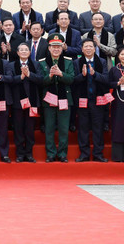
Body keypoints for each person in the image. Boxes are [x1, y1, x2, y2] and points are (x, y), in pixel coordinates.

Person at [72, 39, 110, 162]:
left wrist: (94, 74)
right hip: (82, 99)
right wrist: (82, 76)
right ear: (82, 49)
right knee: (83, 128)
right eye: (86, 47)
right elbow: (73, 81)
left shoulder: (102, 62)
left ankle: (98, 154)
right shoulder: (77, 63)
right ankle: (84, 154)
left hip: (97, 100)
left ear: (95, 49)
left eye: (90, 46)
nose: (88, 49)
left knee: (98, 129)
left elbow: (106, 79)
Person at [39, 33, 75, 162]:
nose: (56, 49)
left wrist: (61, 74)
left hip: (64, 98)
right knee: (49, 128)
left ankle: (62, 154)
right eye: (53, 46)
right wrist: (49, 76)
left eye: (58, 47)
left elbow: (71, 79)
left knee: (63, 129)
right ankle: (50, 154)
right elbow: (40, 81)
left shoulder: (68, 62)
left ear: (62, 48)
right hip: (49, 100)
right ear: (49, 48)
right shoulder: (42, 62)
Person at [10, 43, 41, 162]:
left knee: (29, 129)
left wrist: (29, 75)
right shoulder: (12, 65)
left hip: (32, 101)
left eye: (26, 50)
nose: (23, 52)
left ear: (29, 52)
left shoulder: (36, 64)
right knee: (18, 128)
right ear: (17, 53)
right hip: (18, 102)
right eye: (21, 50)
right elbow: (10, 80)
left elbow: (41, 79)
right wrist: (21, 77)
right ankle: (19, 154)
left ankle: (29, 153)